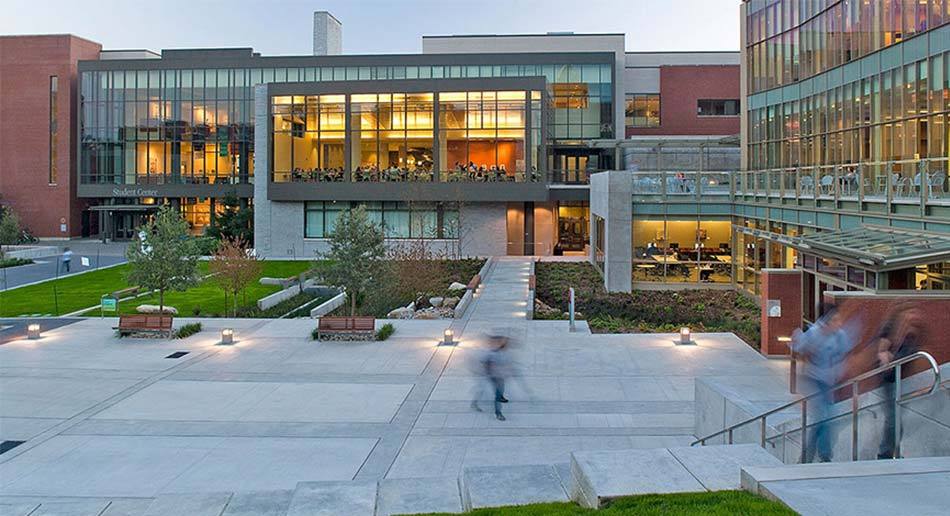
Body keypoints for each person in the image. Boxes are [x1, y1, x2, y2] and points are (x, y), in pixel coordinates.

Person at [791, 303, 860, 463]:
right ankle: (824, 456)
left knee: (826, 418)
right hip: (814, 379)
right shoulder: (814, 334)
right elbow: (800, 354)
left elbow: (848, 356)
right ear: (826, 322)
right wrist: (800, 392)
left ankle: (807, 457)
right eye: (835, 320)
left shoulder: (840, 335)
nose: (839, 323)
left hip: (830, 381)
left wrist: (852, 387)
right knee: (825, 416)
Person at [874, 305, 924, 459]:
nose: (914, 317)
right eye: (911, 313)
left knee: (896, 422)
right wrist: (884, 356)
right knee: (893, 420)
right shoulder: (891, 328)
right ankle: (884, 454)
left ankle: (891, 453)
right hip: (888, 380)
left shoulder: (913, 334)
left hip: (901, 380)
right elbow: (881, 351)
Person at [471, 332, 512, 421]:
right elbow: (484, 363)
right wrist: (489, 372)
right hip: (493, 376)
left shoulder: (502, 352)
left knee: (499, 390)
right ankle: (498, 413)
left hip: (499, 375)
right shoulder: (491, 353)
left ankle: (499, 398)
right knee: (487, 391)